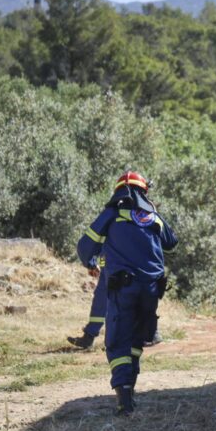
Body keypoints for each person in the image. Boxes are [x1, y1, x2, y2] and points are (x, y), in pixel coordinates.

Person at [77, 171, 177, 416]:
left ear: (118, 191)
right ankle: (130, 389)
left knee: (118, 341)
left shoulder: (112, 214)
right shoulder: (153, 217)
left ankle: (124, 399)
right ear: (144, 192)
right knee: (135, 340)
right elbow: (172, 242)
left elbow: (84, 246)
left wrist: (91, 260)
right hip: (151, 291)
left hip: (124, 289)